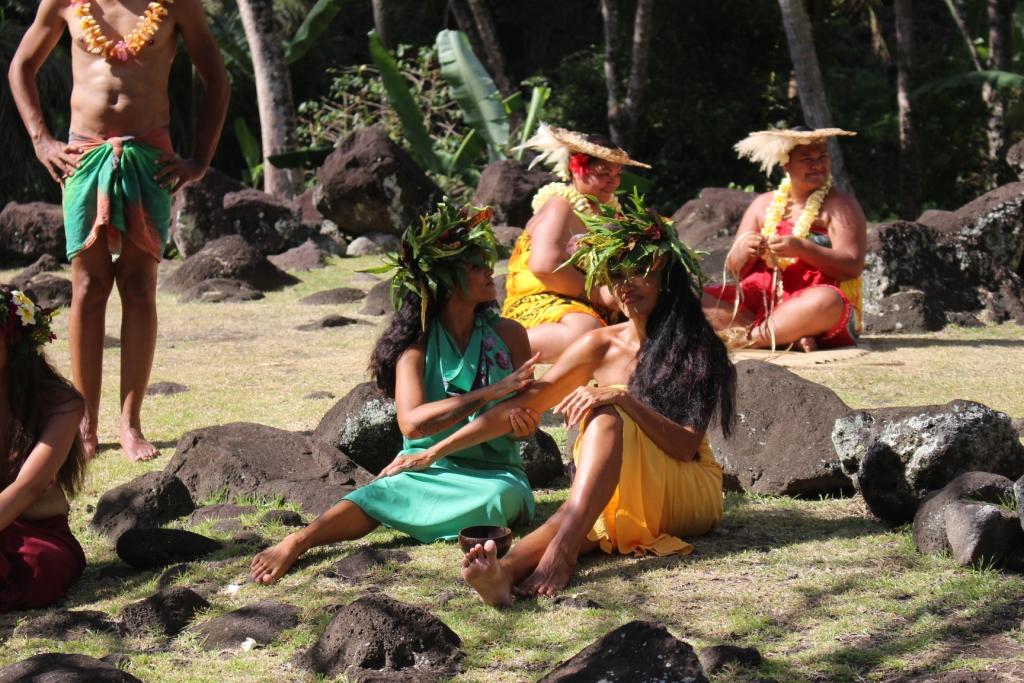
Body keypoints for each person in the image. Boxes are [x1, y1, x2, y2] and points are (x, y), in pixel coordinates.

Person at [374, 193, 736, 605]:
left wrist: (622, 398)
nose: (625, 284)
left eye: (639, 271)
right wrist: (433, 452)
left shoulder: (697, 347)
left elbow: (685, 445)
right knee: (581, 509)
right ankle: (505, 574)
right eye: (615, 273)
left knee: (603, 421)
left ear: (665, 276)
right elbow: (526, 404)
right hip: (617, 485)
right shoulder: (599, 344)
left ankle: (561, 555)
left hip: (688, 488)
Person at [250, 204, 541, 585]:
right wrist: (492, 392)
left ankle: (424, 514)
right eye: (475, 267)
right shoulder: (416, 349)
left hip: (496, 474)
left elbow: (524, 419)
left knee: (497, 501)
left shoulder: (510, 335)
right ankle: (299, 541)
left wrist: (524, 427)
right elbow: (413, 423)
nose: (490, 272)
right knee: (378, 494)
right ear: (446, 280)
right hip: (424, 468)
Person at [8, 0, 230, 460]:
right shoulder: (66, 2)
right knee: (88, 286)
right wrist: (41, 140)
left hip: (150, 157)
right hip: (83, 156)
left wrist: (200, 161)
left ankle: (130, 424)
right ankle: (85, 424)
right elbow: (21, 67)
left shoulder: (177, 5)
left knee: (138, 285)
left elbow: (217, 80)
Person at [702, 127, 868, 351]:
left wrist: (802, 248)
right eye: (807, 159)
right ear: (786, 164)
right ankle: (780, 336)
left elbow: (852, 266)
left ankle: (748, 338)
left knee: (828, 301)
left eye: (823, 157)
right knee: (695, 295)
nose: (817, 165)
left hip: (809, 306)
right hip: (757, 301)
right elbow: (734, 269)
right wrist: (746, 250)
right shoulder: (763, 204)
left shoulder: (841, 205)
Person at [502, 123, 651, 362]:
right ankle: (496, 348)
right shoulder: (560, 205)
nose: (613, 183)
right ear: (577, 168)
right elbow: (543, 265)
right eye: (604, 174)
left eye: (617, 175)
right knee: (586, 330)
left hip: (592, 304)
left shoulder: (610, 213)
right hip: (544, 300)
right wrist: (598, 294)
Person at [1, 287, 89, 611]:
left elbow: (30, 486)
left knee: (40, 568)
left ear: (13, 341)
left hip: (36, 532)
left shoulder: (62, 404)